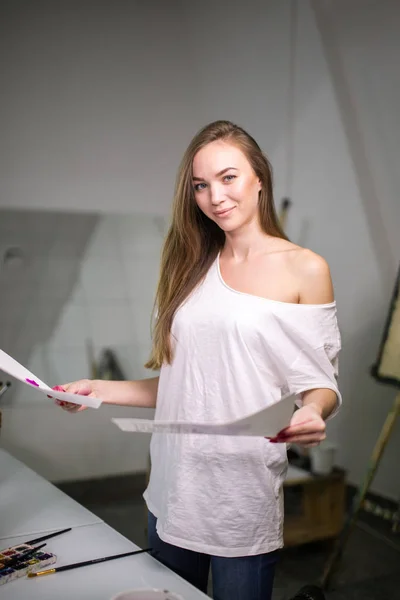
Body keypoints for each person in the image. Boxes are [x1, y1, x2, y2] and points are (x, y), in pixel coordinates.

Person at [55, 120, 342, 600]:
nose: (215, 196)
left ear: (259, 180)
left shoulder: (305, 268)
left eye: (228, 177)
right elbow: (183, 384)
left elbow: (322, 384)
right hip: (171, 489)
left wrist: (313, 410)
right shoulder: (190, 266)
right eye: (200, 185)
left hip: (239, 499)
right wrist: (99, 389)